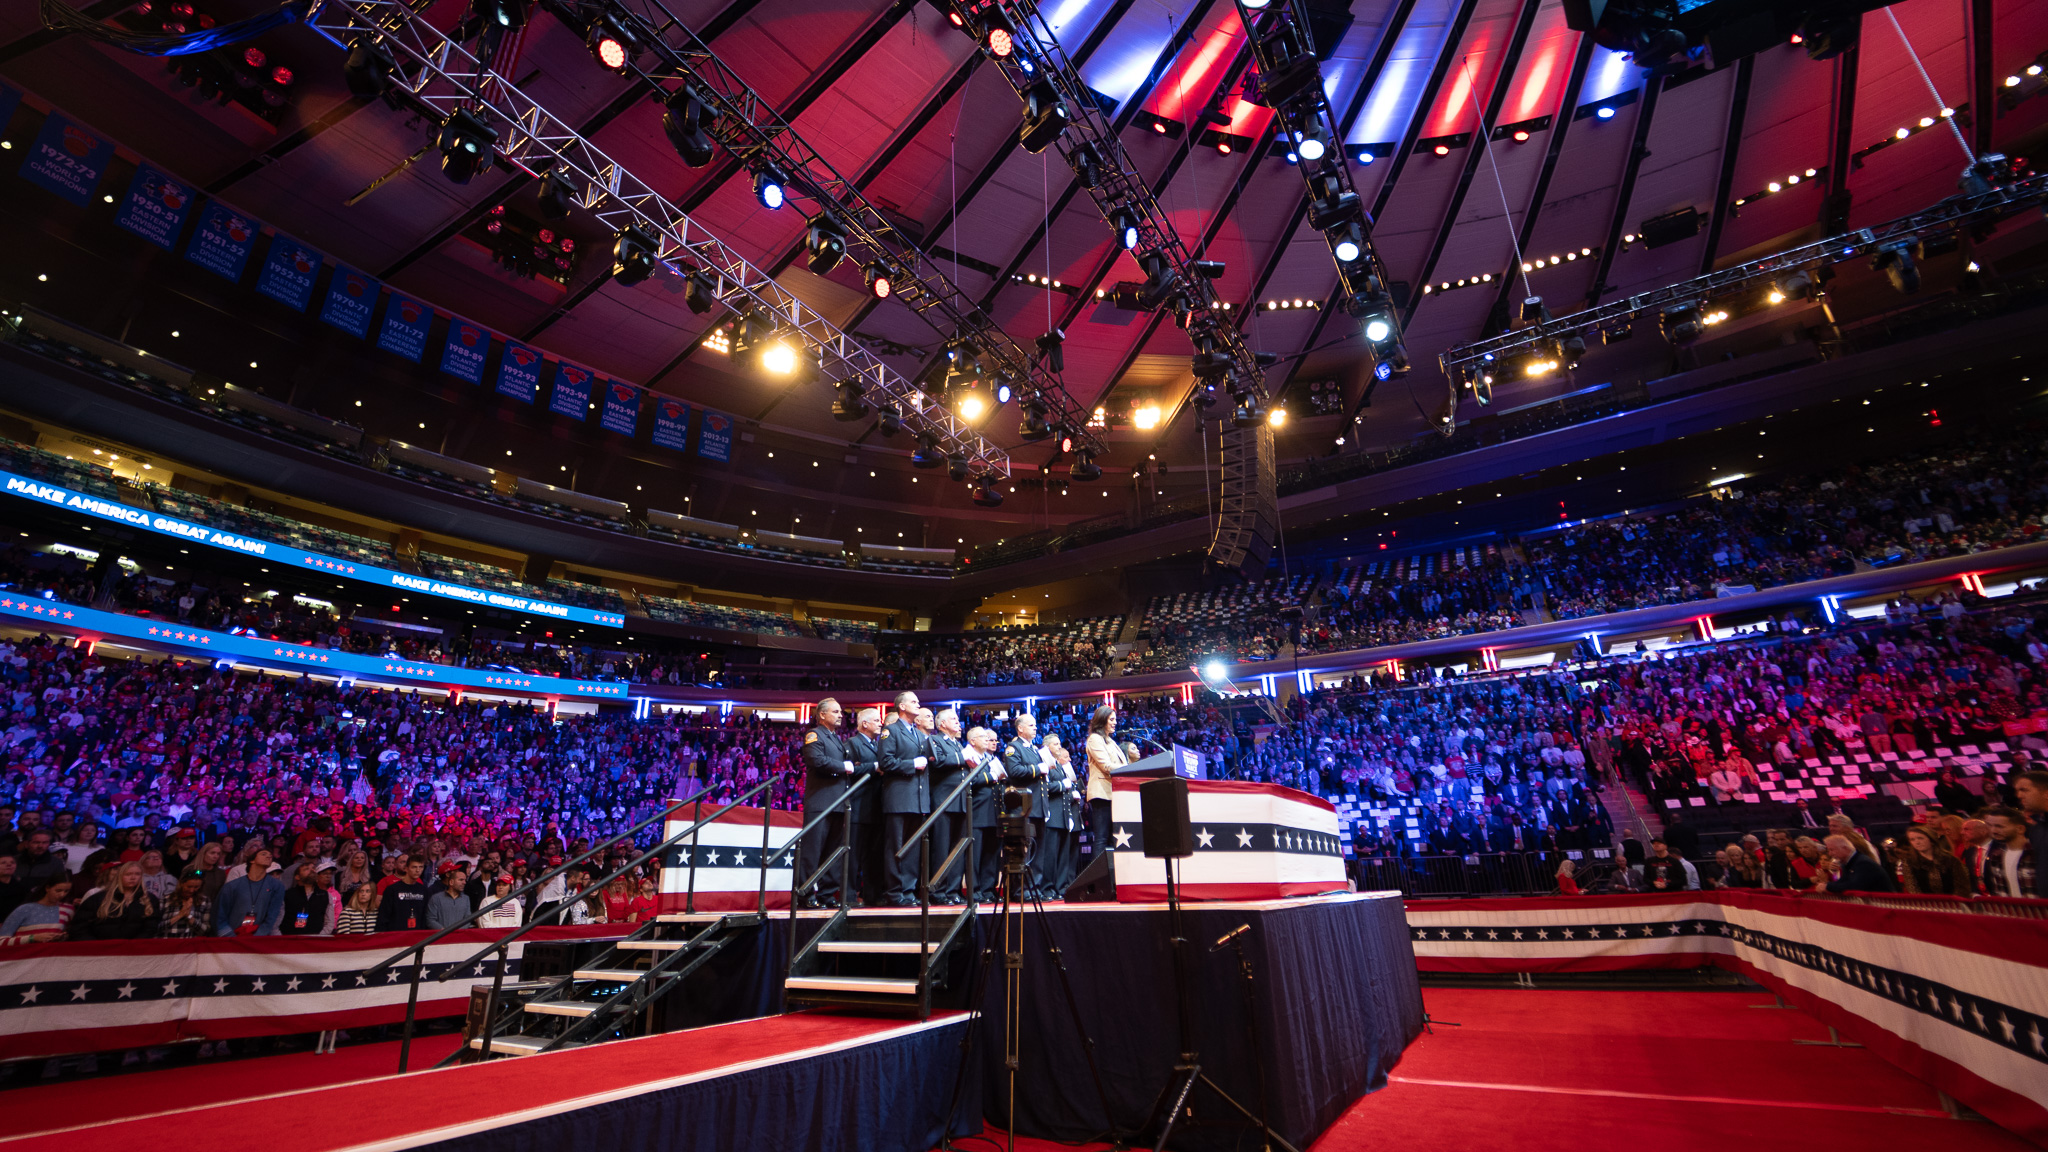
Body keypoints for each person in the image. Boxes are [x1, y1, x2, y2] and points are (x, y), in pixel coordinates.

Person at [797, 697, 856, 909]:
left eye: (841, 712)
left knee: (833, 851)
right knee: (813, 851)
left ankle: (826, 894)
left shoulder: (836, 738)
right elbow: (816, 760)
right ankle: (805, 894)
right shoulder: (814, 734)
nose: (841, 715)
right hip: (821, 802)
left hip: (838, 802)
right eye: (836, 711)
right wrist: (844, 766)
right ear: (822, 714)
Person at [878, 691, 932, 907]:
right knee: (896, 847)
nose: (918, 704)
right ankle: (894, 892)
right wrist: (911, 764)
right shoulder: (890, 731)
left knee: (913, 848)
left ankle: (908, 891)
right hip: (898, 798)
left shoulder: (919, 735)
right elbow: (885, 762)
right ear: (901, 707)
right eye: (913, 701)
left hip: (918, 799)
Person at [927, 708, 971, 905]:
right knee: (941, 848)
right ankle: (938, 891)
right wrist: (963, 759)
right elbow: (937, 762)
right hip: (944, 801)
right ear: (942, 724)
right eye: (953, 719)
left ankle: (953, 890)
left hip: (960, 801)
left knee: (957, 848)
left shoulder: (958, 744)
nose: (958, 722)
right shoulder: (935, 740)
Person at [1002, 714, 1046, 894]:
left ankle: (1034, 887)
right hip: (1024, 807)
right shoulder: (1014, 748)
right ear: (1020, 728)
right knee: (1024, 850)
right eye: (1031, 725)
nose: (1035, 728)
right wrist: (1037, 769)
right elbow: (1014, 771)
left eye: (1035, 725)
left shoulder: (1034, 749)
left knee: (1038, 851)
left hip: (1037, 805)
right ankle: (1021, 890)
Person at [964, 724, 1008, 904]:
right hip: (977, 810)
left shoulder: (989, 758)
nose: (989, 741)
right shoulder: (968, 755)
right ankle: (974, 890)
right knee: (976, 854)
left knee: (991, 853)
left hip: (993, 810)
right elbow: (971, 780)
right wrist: (991, 776)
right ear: (973, 741)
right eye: (984, 737)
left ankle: (988, 889)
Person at [847, 708, 885, 907]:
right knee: (854, 855)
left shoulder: (879, 745)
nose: (880, 724)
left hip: (876, 807)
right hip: (859, 806)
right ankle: (849, 896)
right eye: (877, 720)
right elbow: (850, 770)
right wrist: (873, 767)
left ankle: (872, 895)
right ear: (864, 724)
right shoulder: (852, 743)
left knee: (873, 855)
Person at [1083, 705, 1127, 865]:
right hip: (1102, 794)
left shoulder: (1110, 741)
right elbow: (1106, 766)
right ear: (1102, 720)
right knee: (1101, 837)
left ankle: (1111, 877)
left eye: (1115, 719)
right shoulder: (1095, 739)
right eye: (1112, 719)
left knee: (1110, 837)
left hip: (1113, 793)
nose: (1115, 723)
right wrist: (1129, 768)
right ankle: (1099, 880)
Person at [214, 848, 285, 936]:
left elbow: (273, 915)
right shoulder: (232, 886)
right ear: (252, 860)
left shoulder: (277, 886)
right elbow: (220, 915)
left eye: (270, 856)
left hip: (259, 939)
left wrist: (258, 936)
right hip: (231, 938)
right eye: (263, 854)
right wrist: (230, 937)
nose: (268, 856)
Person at [1897, 826, 1972, 895]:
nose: (1917, 842)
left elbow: (1962, 886)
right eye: (1912, 839)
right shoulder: (1909, 862)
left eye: (1920, 838)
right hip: (1926, 905)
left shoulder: (1950, 860)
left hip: (1953, 904)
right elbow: (1913, 888)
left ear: (1931, 839)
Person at [1981, 807, 2039, 898]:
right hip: (2011, 910)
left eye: (1999, 826)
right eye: (1990, 826)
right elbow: (1998, 891)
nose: (1993, 831)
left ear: (2020, 829)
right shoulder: (1996, 856)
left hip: (2040, 910)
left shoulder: (2036, 853)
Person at [0, 878, 71, 943]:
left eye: (66, 891)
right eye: (58, 890)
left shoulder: (67, 909)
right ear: (47, 888)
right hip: (24, 954)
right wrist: (32, 938)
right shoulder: (25, 909)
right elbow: (2, 940)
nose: (62, 895)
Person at [376, 854, 432, 932]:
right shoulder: (392, 889)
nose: (418, 870)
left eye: (421, 867)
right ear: (406, 869)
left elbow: (425, 915)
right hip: (395, 935)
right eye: (414, 867)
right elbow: (384, 916)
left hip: (417, 934)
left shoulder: (423, 890)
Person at [1822, 834, 1896, 893]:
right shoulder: (1847, 863)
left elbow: (1856, 886)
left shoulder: (1863, 863)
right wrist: (1826, 885)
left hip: (1885, 904)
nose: (1830, 854)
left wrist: (1828, 887)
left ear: (1845, 848)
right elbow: (1843, 881)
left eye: (1832, 850)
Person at [158, 869, 213, 938]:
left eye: (196, 887)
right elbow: (157, 928)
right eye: (189, 886)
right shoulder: (166, 900)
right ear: (181, 884)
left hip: (191, 944)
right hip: (168, 942)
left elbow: (206, 930)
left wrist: (189, 916)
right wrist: (180, 915)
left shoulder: (205, 901)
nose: (191, 890)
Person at [280, 862, 327, 936]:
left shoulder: (325, 895)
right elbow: (278, 919)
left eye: (313, 868)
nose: (312, 870)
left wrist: (320, 936)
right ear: (297, 877)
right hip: (290, 939)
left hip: (316, 939)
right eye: (306, 869)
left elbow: (329, 921)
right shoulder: (287, 895)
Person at [426, 863, 474, 930]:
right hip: (440, 937)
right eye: (461, 880)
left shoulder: (466, 899)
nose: (464, 882)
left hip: (460, 937)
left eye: (465, 880)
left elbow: (468, 919)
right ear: (451, 882)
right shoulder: (436, 898)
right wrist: (444, 931)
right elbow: (430, 920)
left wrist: (458, 931)